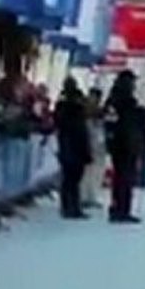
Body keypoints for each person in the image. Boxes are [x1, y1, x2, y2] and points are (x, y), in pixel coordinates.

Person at [104, 70, 145, 224]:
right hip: (125, 143)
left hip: (119, 143)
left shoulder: (114, 100)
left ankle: (118, 207)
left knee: (120, 177)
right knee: (125, 178)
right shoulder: (125, 102)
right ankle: (122, 208)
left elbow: (110, 122)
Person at [54, 77, 91, 220]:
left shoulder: (67, 104)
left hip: (71, 143)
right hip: (72, 143)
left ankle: (70, 206)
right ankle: (70, 206)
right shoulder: (68, 105)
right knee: (71, 178)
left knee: (72, 177)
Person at [81, 88, 107, 210]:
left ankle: (91, 196)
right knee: (87, 171)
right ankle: (84, 196)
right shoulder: (85, 110)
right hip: (89, 143)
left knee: (96, 171)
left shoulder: (100, 111)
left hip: (98, 144)